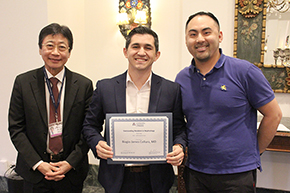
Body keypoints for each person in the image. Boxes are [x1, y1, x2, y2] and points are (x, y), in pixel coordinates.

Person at [175, 11, 282, 192]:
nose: (200, 39)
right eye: (193, 34)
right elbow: (181, 123)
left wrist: (255, 152)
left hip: (237, 175)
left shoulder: (245, 71)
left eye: (206, 32)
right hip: (195, 172)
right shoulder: (182, 79)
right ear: (186, 41)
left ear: (220, 36)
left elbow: (274, 114)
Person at [82, 26, 187, 193]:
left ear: (156, 55)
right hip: (116, 179)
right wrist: (97, 143)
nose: (141, 52)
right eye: (136, 46)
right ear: (125, 51)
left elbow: (179, 128)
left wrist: (179, 146)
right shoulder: (105, 88)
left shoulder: (171, 90)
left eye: (148, 47)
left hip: (156, 179)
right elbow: (89, 126)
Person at [8, 23, 93, 193]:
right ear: (40, 49)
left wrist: (70, 163)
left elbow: (89, 129)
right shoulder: (23, 83)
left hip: (71, 173)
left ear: (69, 52)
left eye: (62, 47)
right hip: (34, 173)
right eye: (49, 46)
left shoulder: (84, 85)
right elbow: (16, 128)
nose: (55, 52)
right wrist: (39, 164)